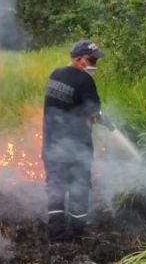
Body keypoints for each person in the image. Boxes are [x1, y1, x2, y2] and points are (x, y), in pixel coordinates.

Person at [42, 39, 108, 242]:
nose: (94, 65)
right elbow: (93, 111)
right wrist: (102, 119)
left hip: (51, 143)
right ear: (79, 59)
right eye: (91, 60)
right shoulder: (84, 80)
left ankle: (56, 232)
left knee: (56, 185)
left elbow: (61, 105)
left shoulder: (55, 74)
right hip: (76, 146)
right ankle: (76, 233)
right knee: (79, 186)